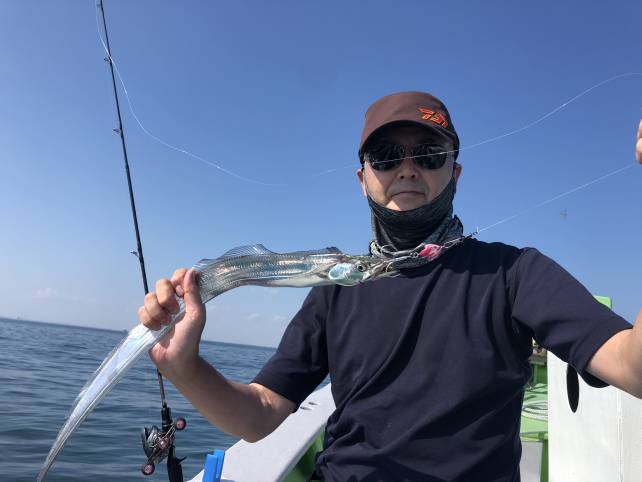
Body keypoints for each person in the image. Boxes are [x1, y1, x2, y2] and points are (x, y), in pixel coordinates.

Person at [138, 91, 642, 482]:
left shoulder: (514, 273)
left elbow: (632, 366)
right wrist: (185, 367)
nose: (407, 169)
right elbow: (259, 415)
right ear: (363, 179)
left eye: (429, 154)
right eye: (385, 156)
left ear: (455, 173)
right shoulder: (336, 285)